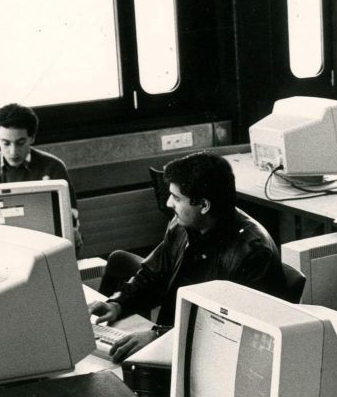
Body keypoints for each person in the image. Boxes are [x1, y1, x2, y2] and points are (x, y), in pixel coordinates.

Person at [87, 152, 283, 362]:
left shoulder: (253, 252)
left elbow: (231, 331)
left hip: (209, 359)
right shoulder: (182, 225)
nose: (170, 203)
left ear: (204, 205)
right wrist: (118, 304)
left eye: (177, 197)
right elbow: (153, 275)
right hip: (170, 342)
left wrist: (159, 336)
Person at [0, 103, 82, 250]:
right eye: (6, 143)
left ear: (31, 138)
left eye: (20, 143)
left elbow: (71, 218)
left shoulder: (53, 168)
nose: (13, 152)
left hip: (44, 247)